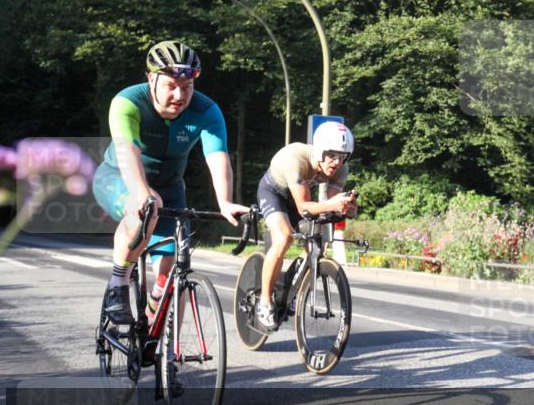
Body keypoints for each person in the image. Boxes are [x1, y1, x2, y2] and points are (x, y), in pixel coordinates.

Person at [94, 40, 248, 325]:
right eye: (171, 86)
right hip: (120, 177)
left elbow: (217, 155)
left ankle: (159, 339)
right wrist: (142, 194)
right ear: (152, 79)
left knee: (173, 268)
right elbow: (128, 153)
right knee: (146, 208)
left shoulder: (206, 110)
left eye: (187, 87)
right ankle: (118, 284)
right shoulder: (127, 102)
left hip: (171, 187)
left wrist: (224, 202)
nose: (180, 95)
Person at [255, 121, 358, 329]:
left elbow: (330, 208)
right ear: (319, 151)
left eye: (342, 156)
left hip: (300, 199)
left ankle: (291, 290)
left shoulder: (341, 169)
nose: (337, 162)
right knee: (284, 237)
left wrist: (347, 208)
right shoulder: (296, 159)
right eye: (332, 155)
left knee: (317, 247)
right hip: (274, 193)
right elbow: (304, 207)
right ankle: (264, 301)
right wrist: (331, 204)